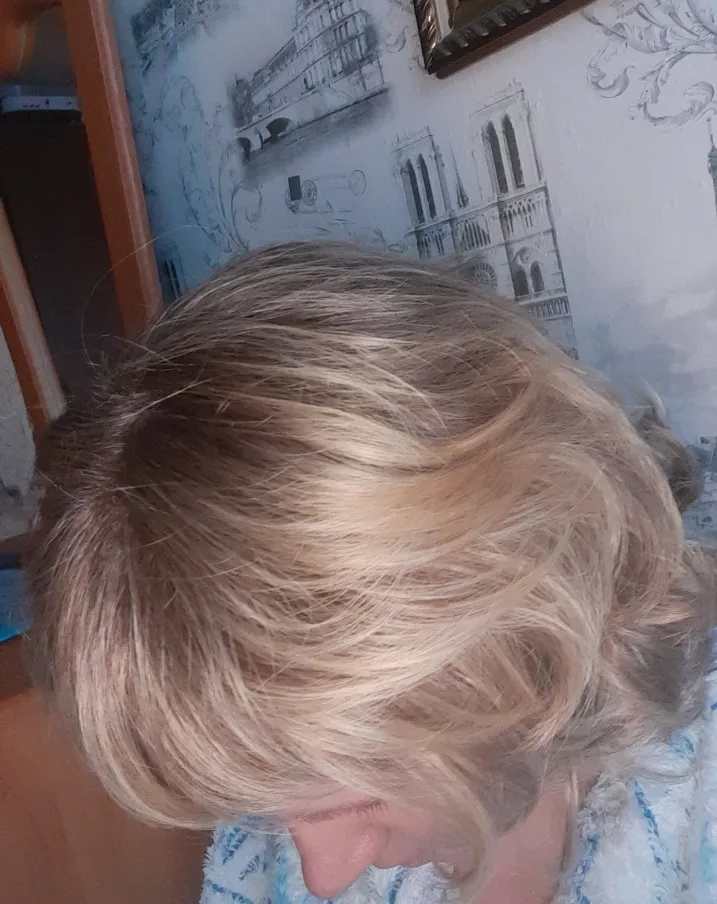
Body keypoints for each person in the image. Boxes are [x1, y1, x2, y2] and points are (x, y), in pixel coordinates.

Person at [26, 242, 717, 904]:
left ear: (503, 636)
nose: (322, 879)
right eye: (264, 808)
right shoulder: (268, 774)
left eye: (359, 798)